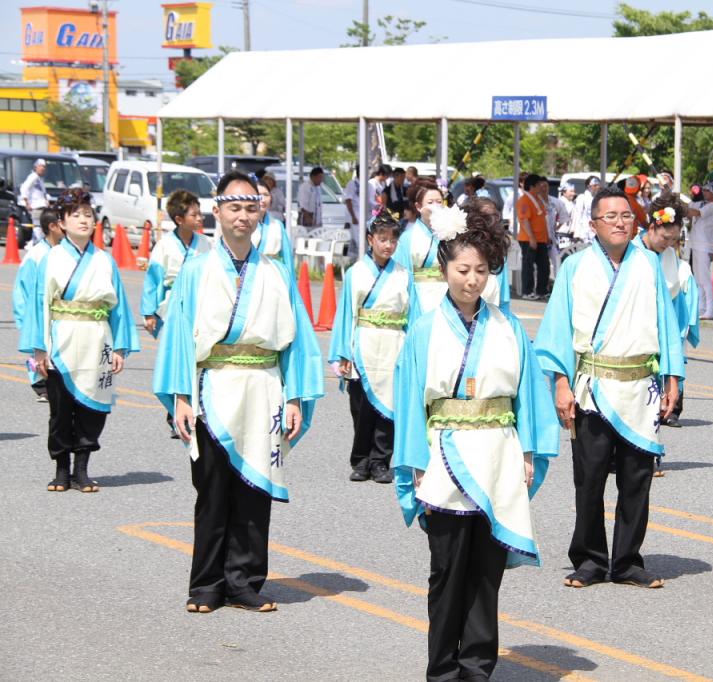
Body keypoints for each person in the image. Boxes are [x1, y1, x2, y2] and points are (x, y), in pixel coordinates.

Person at [393, 200, 559, 682]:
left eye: (482, 270)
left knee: (487, 573)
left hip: (498, 454)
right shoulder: (423, 329)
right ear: (445, 268)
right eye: (463, 269)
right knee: (446, 572)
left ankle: (478, 666)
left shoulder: (509, 328)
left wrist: (528, 451)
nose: (472, 280)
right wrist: (415, 462)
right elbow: (409, 403)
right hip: (444, 456)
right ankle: (442, 668)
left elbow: (528, 394)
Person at [153, 171, 323, 614]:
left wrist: (294, 398)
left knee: (254, 488)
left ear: (261, 211)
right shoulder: (195, 270)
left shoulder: (277, 272)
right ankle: (206, 584)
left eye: (251, 207)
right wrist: (182, 396)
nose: (242, 216)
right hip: (212, 387)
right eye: (234, 206)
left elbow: (298, 341)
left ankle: (245, 580)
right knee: (211, 489)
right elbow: (178, 340)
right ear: (217, 210)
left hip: (263, 386)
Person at [535, 187, 684, 590]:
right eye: (610, 216)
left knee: (637, 479)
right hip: (593, 387)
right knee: (590, 477)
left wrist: (673, 378)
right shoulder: (574, 267)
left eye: (626, 215)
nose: (619, 222)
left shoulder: (649, 265)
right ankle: (589, 559)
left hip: (640, 387)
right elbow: (558, 330)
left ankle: (628, 561)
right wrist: (561, 384)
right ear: (593, 223)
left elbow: (667, 326)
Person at [19, 188, 140, 493]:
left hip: (97, 338)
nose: (84, 220)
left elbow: (120, 307)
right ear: (61, 222)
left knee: (93, 408)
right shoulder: (51, 258)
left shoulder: (104, 260)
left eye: (88, 214)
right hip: (62, 338)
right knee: (60, 409)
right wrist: (39, 349)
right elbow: (39, 304)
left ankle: (82, 470)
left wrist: (120, 348)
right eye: (76, 215)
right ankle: (61, 469)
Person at [329, 211, 409, 484]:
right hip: (363, 343)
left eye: (392, 240)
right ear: (370, 240)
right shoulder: (356, 273)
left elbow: (413, 315)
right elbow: (345, 314)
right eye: (382, 239)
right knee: (361, 406)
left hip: (393, 344)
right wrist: (342, 352)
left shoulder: (403, 275)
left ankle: (380, 461)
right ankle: (361, 460)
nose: (387, 245)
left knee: (388, 405)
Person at [141, 190, 213, 436]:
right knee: (175, 359)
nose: (199, 218)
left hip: (200, 306)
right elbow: (154, 281)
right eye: (194, 214)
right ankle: (174, 411)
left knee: (196, 359)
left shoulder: (206, 244)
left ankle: (192, 408)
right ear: (180, 219)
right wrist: (149, 312)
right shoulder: (164, 246)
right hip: (171, 308)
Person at [395, 183, 509, 322]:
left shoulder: (452, 233)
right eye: (430, 202)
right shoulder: (409, 237)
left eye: (439, 201)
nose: (435, 206)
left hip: (450, 289)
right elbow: (401, 273)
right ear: (419, 206)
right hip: (420, 293)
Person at [636, 192, 699, 434]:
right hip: (636, 336)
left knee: (654, 401)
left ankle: (648, 454)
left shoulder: (670, 256)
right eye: (665, 237)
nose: (668, 243)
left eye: (674, 239)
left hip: (662, 331)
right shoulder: (631, 252)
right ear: (652, 227)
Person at [12, 206, 63, 402]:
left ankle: (51, 383)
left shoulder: (59, 252)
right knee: (38, 348)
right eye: (61, 223)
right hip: (36, 312)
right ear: (52, 227)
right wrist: (24, 316)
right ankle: (41, 384)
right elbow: (22, 290)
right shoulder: (37, 255)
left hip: (53, 312)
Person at [687, 182, 713, 320]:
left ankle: (710, 309)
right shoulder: (702, 203)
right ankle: (701, 307)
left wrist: (681, 207)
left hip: (705, 244)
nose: (704, 192)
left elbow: (693, 212)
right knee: (697, 278)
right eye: (704, 190)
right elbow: (690, 207)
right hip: (696, 243)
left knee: (704, 278)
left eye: (707, 190)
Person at [516, 174, 551, 300]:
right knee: (528, 266)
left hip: (541, 239)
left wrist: (547, 236)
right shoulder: (524, 200)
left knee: (544, 266)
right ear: (532, 186)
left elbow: (542, 219)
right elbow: (524, 220)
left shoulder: (538, 199)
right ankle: (527, 291)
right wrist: (531, 238)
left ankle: (541, 290)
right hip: (529, 239)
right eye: (538, 185)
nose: (541, 188)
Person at [254, 178, 295, 279]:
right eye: (258, 195)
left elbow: (287, 258)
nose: (262, 199)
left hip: (274, 276)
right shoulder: (244, 223)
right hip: (251, 274)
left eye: (266, 195)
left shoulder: (277, 225)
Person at [20, 158, 49, 244]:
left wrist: (46, 201)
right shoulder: (33, 176)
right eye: (41, 166)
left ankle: (33, 244)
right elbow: (24, 188)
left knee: (39, 227)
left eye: (44, 166)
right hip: (36, 207)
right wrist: (26, 202)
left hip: (42, 207)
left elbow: (43, 193)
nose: (43, 168)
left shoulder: (39, 179)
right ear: (36, 167)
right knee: (38, 227)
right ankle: (39, 244)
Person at [570, 176, 601, 242]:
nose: (597, 187)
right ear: (588, 186)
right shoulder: (582, 197)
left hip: (594, 230)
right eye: (595, 185)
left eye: (598, 185)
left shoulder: (598, 199)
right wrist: (577, 233)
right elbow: (578, 215)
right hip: (583, 231)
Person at [297, 166, 324, 234]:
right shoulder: (305, 187)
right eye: (319, 177)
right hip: (307, 219)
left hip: (316, 221)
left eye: (321, 177)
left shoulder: (318, 188)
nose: (321, 180)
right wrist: (308, 217)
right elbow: (302, 205)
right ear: (313, 177)